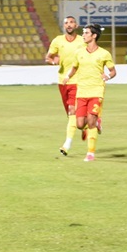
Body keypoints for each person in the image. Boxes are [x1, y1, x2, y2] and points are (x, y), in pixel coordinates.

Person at [62, 24, 116, 162]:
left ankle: (90, 153)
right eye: (84, 33)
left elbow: (113, 71)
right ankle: (96, 122)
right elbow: (74, 68)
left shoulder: (104, 54)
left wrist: (107, 76)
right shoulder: (79, 53)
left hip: (96, 91)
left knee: (90, 120)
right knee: (80, 124)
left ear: (94, 36)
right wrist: (68, 76)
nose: (83, 35)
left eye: (86, 33)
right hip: (82, 91)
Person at [45, 16, 86, 157]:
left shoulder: (83, 40)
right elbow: (48, 57)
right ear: (64, 26)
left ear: (76, 25)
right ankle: (86, 125)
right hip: (63, 82)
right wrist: (53, 61)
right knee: (71, 116)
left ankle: (66, 144)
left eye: (71, 22)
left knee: (72, 111)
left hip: (78, 81)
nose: (69, 25)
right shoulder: (57, 40)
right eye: (66, 23)